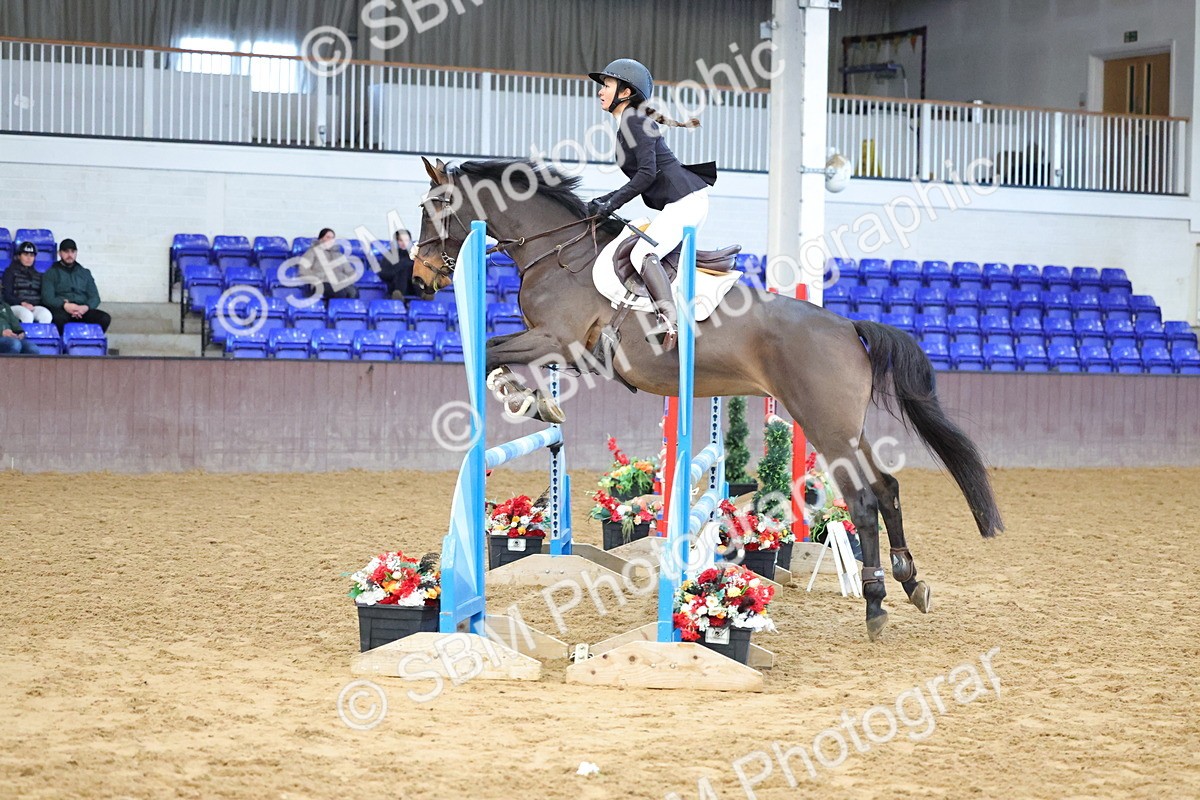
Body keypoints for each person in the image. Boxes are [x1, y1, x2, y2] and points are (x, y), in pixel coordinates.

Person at [586, 58, 717, 352]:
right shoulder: (627, 124)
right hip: (682, 201)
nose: (600, 91)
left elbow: (646, 174)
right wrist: (607, 201)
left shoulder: (635, 122)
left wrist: (610, 203)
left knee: (644, 251)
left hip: (687, 200)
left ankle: (669, 321)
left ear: (625, 92)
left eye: (606, 85)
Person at [42, 239, 111, 333]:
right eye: (66, 251)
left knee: (104, 318)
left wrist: (85, 307)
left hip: (82, 310)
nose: (70, 255)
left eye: (72, 251)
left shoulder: (85, 273)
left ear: (76, 253)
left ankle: (90, 344)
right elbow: (47, 298)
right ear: (59, 253)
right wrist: (64, 305)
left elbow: (95, 297)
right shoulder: (51, 273)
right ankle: (64, 345)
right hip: (62, 309)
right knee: (58, 318)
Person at [297, 228, 359, 300]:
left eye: (332, 238)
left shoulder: (339, 255)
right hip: (321, 283)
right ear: (321, 239)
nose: (330, 240)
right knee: (339, 293)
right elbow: (303, 270)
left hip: (339, 283)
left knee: (354, 293)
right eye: (328, 237)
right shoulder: (312, 252)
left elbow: (350, 272)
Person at [3, 241, 53, 324]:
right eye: (25, 255)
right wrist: (21, 303)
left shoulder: (38, 275)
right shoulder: (10, 272)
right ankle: (24, 337)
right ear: (19, 256)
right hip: (15, 306)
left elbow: (42, 295)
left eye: (31, 255)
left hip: (33, 306)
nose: (29, 258)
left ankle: (40, 337)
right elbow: (7, 295)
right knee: (27, 315)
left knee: (46, 315)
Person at [379, 229, 415, 300]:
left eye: (406, 240)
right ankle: (398, 294)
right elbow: (383, 274)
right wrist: (399, 268)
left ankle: (424, 295)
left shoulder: (415, 255)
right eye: (401, 240)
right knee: (402, 271)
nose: (404, 243)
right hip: (394, 285)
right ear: (396, 241)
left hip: (413, 286)